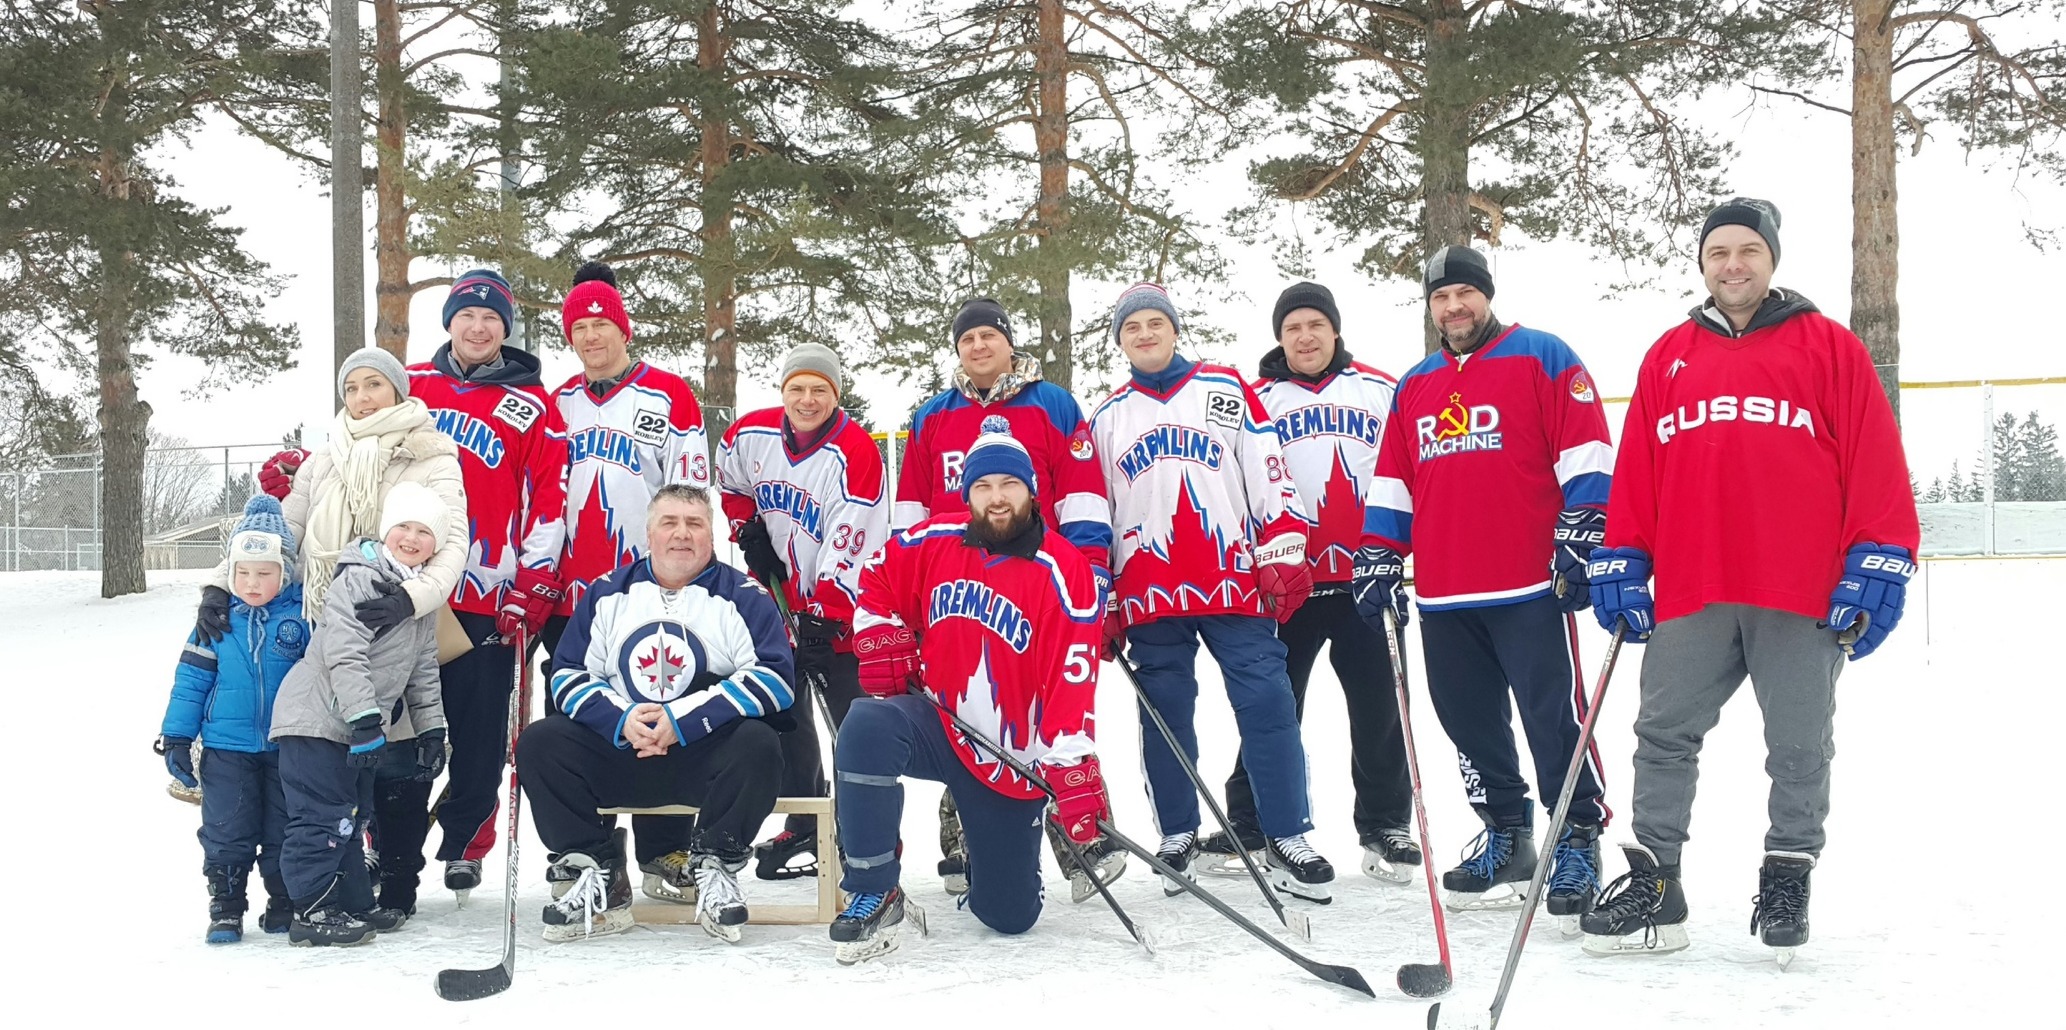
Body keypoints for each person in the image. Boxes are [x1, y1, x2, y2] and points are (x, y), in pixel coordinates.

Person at [1582, 198, 1920, 959]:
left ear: (1771, 259)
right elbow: (1639, 470)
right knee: (1663, 736)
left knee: (1799, 742)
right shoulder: (1669, 355)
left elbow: (1873, 462)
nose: (1732, 265)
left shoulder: (1829, 348)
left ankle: (1787, 873)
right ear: (1702, 263)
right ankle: (1656, 882)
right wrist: (1624, 554)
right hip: (1694, 581)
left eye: (1747, 251)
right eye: (1717, 253)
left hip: (1800, 588)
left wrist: (1878, 554)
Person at [1356, 246, 1614, 918]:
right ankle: (1509, 835)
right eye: (1441, 298)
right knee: (1468, 723)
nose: (1454, 307)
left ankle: (1575, 837)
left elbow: (1587, 448)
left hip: (1529, 586)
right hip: (1445, 592)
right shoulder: (1416, 385)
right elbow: (1393, 480)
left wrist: (1586, 526)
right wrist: (1380, 554)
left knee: (1551, 722)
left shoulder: (1542, 356)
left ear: (1486, 296)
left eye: (1465, 294)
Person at [1088, 281, 1334, 902]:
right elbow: (1096, 508)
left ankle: (1286, 832)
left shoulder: (1224, 389)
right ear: (1120, 340)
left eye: (1154, 323)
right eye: (1132, 327)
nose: (1145, 334)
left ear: (1174, 328)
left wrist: (1281, 547)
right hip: (1149, 587)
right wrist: (1100, 589)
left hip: (1233, 580)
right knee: (1164, 712)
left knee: (1268, 701)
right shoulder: (1108, 416)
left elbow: (1266, 469)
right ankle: (1177, 832)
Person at [830, 421, 1108, 963]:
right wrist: (877, 629)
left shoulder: (1064, 570)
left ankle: (998, 868)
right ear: (968, 492)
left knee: (1009, 918)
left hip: (1010, 754)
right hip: (939, 721)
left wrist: (1071, 763)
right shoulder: (934, 538)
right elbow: (875, 578)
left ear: (1031, 489)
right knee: (866, 722)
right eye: (983, 487)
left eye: (1009, 484)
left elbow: (1073, 679)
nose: (996, 498)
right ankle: (873, 885)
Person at [893, 297, 1121, 900]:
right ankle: (967, 839)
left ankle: (1084, 838)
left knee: (1053, 702)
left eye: (989, 335)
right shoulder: (932, 416)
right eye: (967, 338)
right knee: (963, 697)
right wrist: (911, 592)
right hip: (955, 584)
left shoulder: (1051, 403)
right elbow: (911, 508)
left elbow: (1081, 495)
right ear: (958, 349)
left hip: (1038, 578)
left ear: (1008, 342)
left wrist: (1091, 570)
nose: (979, 346)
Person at [1197, 282, 1419, 884]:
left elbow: (1408, 473)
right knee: (1271, 705)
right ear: (1279, 337)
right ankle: (1250, 820)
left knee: (1378, 707)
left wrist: (1402, 552)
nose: (1305, 336)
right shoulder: (1255, 397)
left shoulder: (1380, 387)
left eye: (1316, 324)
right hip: (1286, 584)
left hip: (1365, 580)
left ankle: (1384, 824)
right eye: (1293, 327)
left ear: (1335, 331)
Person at [517, 485, 791, 944]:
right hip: (622, 752)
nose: (681, 534)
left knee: (759, 744)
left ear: (711, 534)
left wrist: (683, 722)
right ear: (649, 534)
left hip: (701, 761)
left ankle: (716, 865)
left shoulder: (745, 596)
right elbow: (566, 675)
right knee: (541, 742)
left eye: (695, 523)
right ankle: (597, 869)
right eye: (669, 523)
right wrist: (622, 720)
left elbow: (775, 680)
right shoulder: (608, 592)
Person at [398, 267, 571, 908]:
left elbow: (549, 502)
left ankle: (467, 841)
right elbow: (352, 449)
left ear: (506, 328)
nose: (478, 327)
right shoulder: (410, 385)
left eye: (491, 317)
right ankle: (388, 839)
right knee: (400, 723)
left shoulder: (533, 404)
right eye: (467, 315)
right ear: (449, 322)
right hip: (407, 584)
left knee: (478, 730)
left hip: (483, 594)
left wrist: (533, 581)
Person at [548, 260, 713, 904]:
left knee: (660, 699)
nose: (592, 337)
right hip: (571, 594)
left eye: (602, 324)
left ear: (624, 329)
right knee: (575, 717)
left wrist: (694, 571)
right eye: (580, 327)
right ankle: (587, 854)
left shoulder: (668, 394)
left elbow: (692, 488)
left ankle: (664, 847)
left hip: (649, 588)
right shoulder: (555, 402)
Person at [716, 343, 887, 882]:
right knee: (786, 718)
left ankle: (870, 829)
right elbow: (732, 480)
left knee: (852, 721)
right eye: (797, 389)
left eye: (820, 390)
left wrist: (827, 612)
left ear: (835, 395)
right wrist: (748, 530)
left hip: (837, 614)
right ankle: (806, 816)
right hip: (777, 604)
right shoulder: (752, 434)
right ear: (782, 391)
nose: (807, 400)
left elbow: (855, 538)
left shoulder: (855, 453)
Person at [269, 483, 452, 947]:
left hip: (349, 726)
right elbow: (344, 652)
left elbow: (422, 668)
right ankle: (311, 908)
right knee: (322, 818)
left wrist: (431, 729)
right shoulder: (359, 578)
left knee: (352, 817)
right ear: (386, 530)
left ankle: (350, 902)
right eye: (403, 527)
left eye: (424, 532)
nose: (411, 539)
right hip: (317, 720)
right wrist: (366, 719)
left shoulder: (418, 600)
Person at [196, 349, 468, 634]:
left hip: (385, 619)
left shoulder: (431, 456)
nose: (362, 396)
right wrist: (219, 585)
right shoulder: (325, 458)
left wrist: (410, 599)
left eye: (374, 384)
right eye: (351, 388)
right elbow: (282, 533)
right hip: (313, 612)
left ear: (398, 390)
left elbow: (453, 541)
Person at [155, 495, 309, 943]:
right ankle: (225, 906)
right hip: (227, 749)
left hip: (287, 748)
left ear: (285, 571)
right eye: (242, 572)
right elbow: (190, 683)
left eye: (264, 573)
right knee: (227, 827)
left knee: (284, 828)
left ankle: (284, 901)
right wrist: (178, 737)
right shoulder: (215, 623)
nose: (252, 582)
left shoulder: (302, 619)